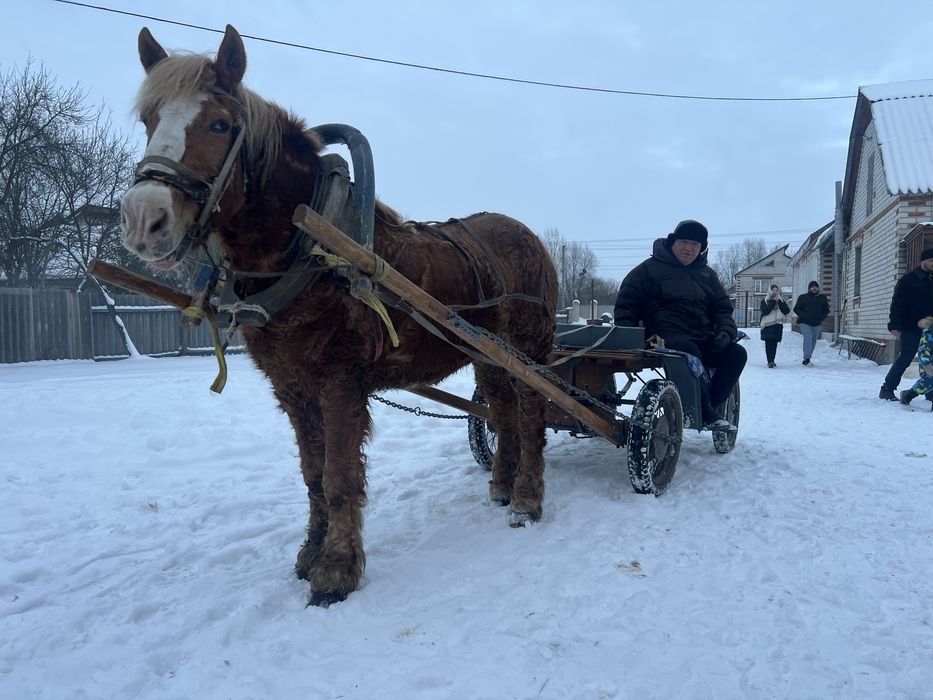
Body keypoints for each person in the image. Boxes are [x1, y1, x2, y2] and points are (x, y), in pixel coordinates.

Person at [613, 219, 747, 431]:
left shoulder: (707, 275)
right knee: (687, 351)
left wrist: (725, 333)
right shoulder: (647, 270)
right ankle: (703, 413)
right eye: (684, 242)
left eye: (695, 244)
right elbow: (626, 305)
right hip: (660, 337)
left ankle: (707, 406)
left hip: (701, 336)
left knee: (736, 354)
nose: (689, 248)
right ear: (672, 243)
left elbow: (722, 310)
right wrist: (627, 335)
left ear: (701, 249)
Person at [879, 248, 933, 401]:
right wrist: (895, 324)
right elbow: (897, 303)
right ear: (923, 261)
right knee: (906, 358)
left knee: (930, 360)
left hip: (931, 329)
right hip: (911, 326)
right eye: (931, 260)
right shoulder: (909, 279)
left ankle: (930, 391)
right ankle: (887, 388)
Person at [899, 316, 933, 408]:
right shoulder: (929, 335)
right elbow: (923, 351)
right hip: (928, 365)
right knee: (928, 381)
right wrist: (927, 365)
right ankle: (908, 394)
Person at [793, 280, 830, 366]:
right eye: (812, 287)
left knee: (813, 342)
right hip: (805, 322)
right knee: (808, 339)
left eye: (816, 286)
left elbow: (826, 310)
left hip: (817, 323)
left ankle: (808, 358)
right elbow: (796, 309)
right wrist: (804, 315)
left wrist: (821, 317)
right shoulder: (803, 297)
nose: (814, 288)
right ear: (809, 288)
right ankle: (806, 359)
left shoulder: (822, 298)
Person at [759, 284, 791, 368]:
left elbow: (786, 311)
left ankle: (772, 360)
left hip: (777, 324)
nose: (775, 292)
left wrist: (779, 302)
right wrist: (773, 302)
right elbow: (765, 311)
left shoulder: (781, 300)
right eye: (773, 290)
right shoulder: (765, 300)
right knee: (769, 342)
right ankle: (769, 361)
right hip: (768, 325)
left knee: (774, 343)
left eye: (776, 290)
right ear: (770, 291)